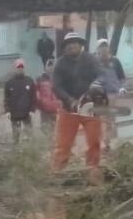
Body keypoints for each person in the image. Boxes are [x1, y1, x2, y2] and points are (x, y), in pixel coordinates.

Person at [51, 32, 103, 173]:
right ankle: (57, 172)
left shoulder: (91, 59)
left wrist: (93, 91)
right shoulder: (60, 63)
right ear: (65, 47)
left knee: (94, 141)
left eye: (74, 42)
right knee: (63, 144)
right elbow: (56, 86)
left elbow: (101, 76)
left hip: (90, 107)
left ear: (80, 45)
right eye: (68, 43)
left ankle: (92, 169)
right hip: (69, 109)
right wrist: (69, 99)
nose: (71, 46)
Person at [93, 38, 127, 150]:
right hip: (98, 95)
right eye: (101, 47)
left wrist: (122, 88)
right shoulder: (94, 63)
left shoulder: (115, 61)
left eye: (105, 46)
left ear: (108, 48)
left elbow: (122, 77)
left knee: (110, 118)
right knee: (98, 118)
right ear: (98, 49)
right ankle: (98, 142)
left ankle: (109, 143)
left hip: (112, 94)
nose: (103, 49)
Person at [3, 59, 35, 143]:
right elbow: (6, 98)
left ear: (24, 68)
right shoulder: (9, 83)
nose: (20, 69)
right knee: (16, 135)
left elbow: (33, 97)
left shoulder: (29, 81)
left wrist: (32, 110)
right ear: (15, 68)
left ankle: (30, 147)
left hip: (27, 113)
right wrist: (7, 111)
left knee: (29, 134)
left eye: (22, 67)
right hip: (14, 113)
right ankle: (16, 147)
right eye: (18, 67)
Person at [34, 59, 61, 130]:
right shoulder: (40, 79)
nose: (51, 68)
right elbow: (36, 93)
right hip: (44, 109)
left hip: (55, 108)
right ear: (45, 67)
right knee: (45, 128)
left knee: (55, 128)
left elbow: (61, 92)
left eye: (52, 66)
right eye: (49, 66)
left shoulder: (58, 79)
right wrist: (39, 103)